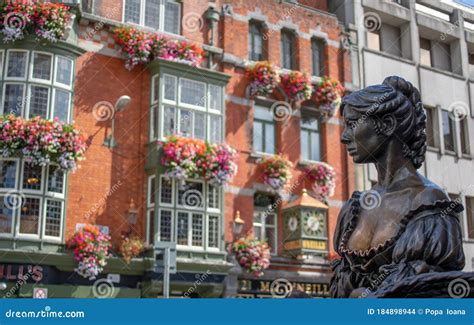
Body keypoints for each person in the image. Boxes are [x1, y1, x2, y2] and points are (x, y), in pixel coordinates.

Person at [331, 76, 473, 298]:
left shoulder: (430, 203)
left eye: (352, 124)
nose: (344, 137)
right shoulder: (353, 209)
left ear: (387, 125)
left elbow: (430, 297)